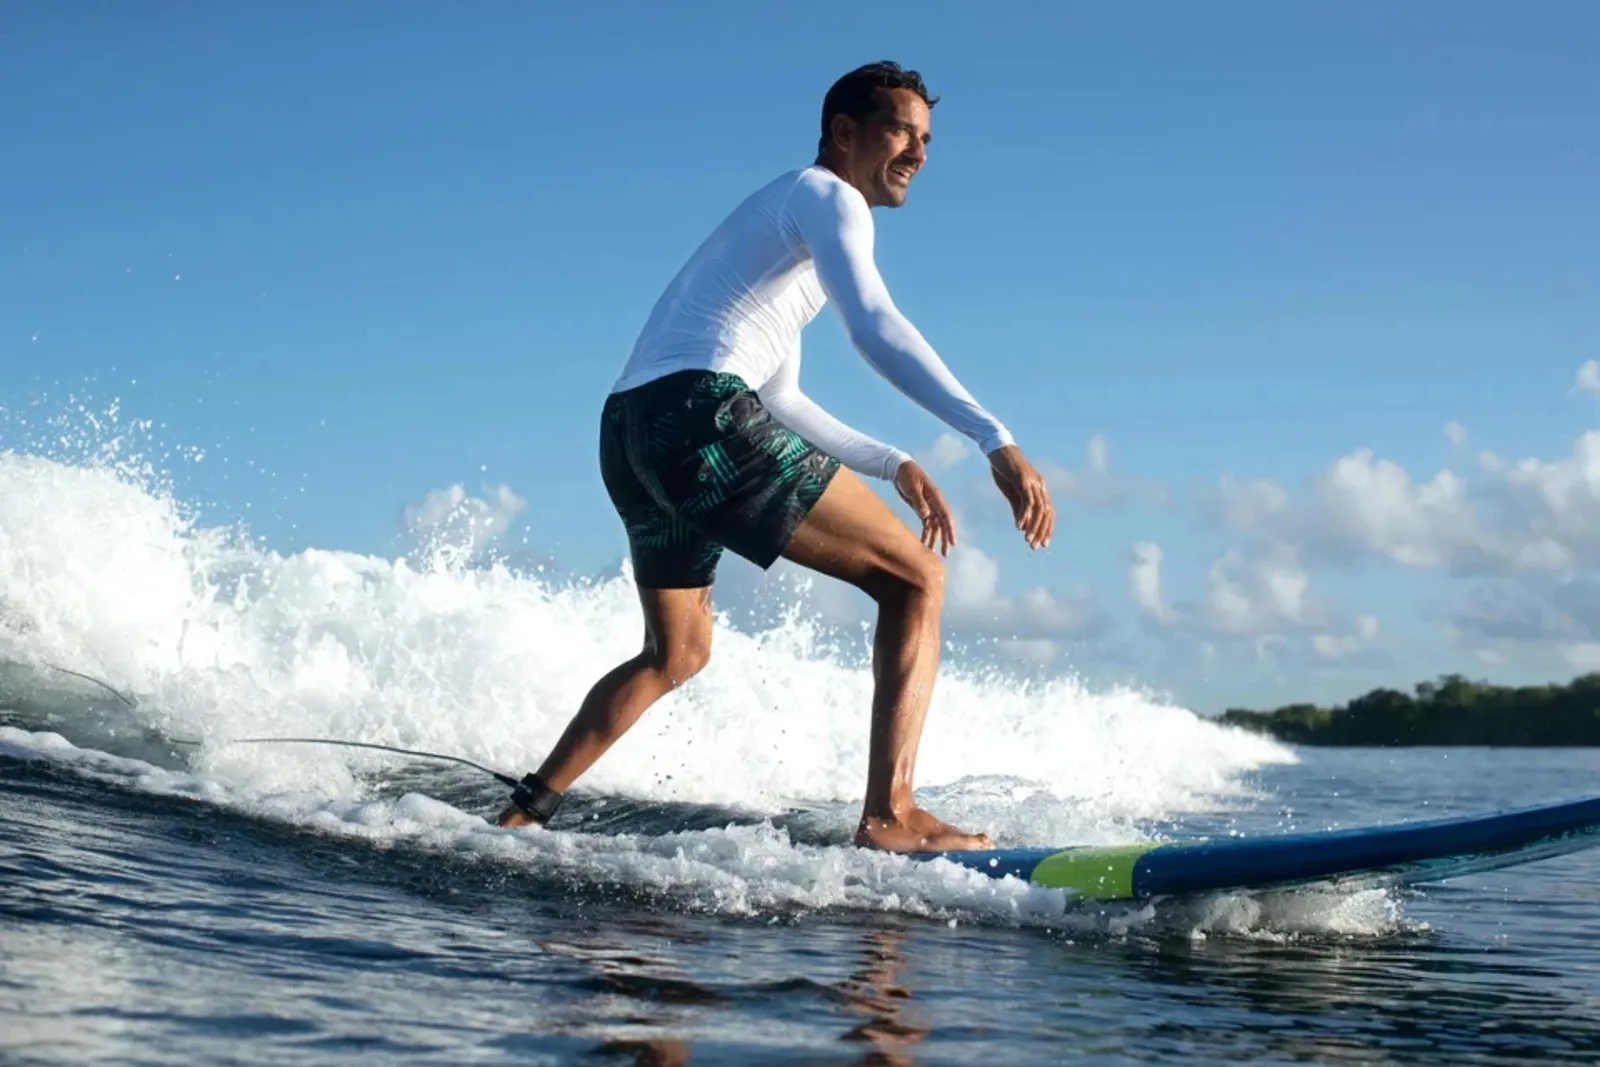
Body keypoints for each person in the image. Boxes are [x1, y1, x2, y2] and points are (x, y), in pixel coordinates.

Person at [497, 60, 1055, 852]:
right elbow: (875, 325)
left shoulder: (780, 234)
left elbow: (782, 398)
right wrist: (992, 436)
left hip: (632, 430)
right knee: (916, 577)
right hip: (698, 413)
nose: (919, 153)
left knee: (677, 651)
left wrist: (894, 462)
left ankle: (525, 811)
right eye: (901, 130)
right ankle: (890, 814)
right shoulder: (828, 196)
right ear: (844, 132)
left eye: (927, 139)